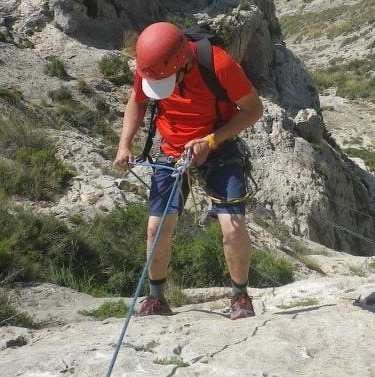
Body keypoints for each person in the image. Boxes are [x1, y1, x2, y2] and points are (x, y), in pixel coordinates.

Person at [113, 22, 264, 320]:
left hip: (217, 145)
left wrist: (210, 140)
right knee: (156, 228)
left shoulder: (219, 64)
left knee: (233, 226)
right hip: (172, 149)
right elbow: (138, 101)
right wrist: (125, 144)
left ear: (183, 61)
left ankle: (240, 296)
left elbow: (253, 109)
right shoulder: (152, 65)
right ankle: (155, 299)